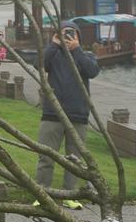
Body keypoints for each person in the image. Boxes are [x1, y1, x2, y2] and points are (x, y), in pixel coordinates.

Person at [34, 20, 100, 210]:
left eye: (72, 33)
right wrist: (54, 44)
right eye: (64, 33)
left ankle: (70, 195)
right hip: (51, 114)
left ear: (79, 36)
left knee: (75, 159)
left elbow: (92, 71)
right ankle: (42, 194)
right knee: (46, 156)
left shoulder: (86, 55)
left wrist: (77, 50)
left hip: (78, 115)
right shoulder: (52, 55)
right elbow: (38, 64)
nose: (69, 37)